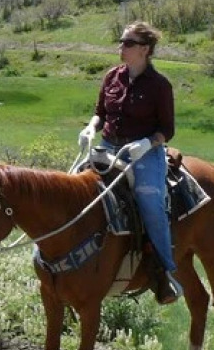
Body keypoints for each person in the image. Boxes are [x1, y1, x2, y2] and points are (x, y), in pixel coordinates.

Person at [78, 21, 182, 304]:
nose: (121, 48)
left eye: (128, 43)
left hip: (145, 152)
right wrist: (90, 128)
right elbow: (100, 113)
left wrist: (148, 143)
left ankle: (164, 272)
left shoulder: (160, 85)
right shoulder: (113, 76)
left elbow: (167, 129)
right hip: (109, 145)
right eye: (121, 42)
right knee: (72, 184)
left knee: (149, 199)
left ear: (145, 50)